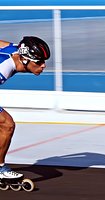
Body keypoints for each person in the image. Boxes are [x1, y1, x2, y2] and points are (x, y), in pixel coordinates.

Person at [0, 36, 50, 179]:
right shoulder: (4, 68)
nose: (43, 66)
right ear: (26, 60)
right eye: (39, 62)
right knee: (6, 124)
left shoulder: (18, 49)